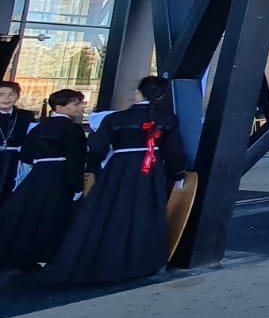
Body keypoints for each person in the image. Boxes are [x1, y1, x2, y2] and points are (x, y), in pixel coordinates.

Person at [47, 76, 187, 284]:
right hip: (150, 168)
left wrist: (94, 170)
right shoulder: (167, 118)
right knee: (146, 211)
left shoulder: (114, 119)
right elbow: (174, 151)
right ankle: (144, 261)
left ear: (138, 94)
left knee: (109, 211)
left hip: (119, 167)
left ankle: (100, 261)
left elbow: (96, 149)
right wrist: (178, 173)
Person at [0, 88, 88, 269]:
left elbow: (26, 156)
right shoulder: (73, 129)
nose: (80, 108)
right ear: (60, 107)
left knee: (30, 214)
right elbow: (76, 160)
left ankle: (23, 254)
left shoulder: (38, 127)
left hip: (38, 174)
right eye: (76, 104)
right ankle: (46, 254)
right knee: (53, 215)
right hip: (60, 174)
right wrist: (77, 186)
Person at [0, 81, 38, 208]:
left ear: (17, 96)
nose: (6, 99)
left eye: (11, 95)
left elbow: (32, 138)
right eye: (1, 94)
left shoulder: (25, 116)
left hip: (15, 160)